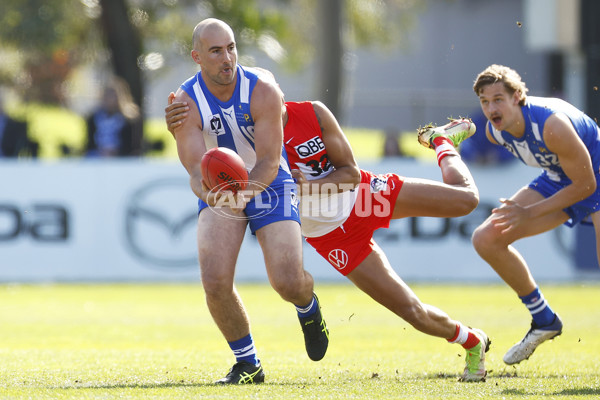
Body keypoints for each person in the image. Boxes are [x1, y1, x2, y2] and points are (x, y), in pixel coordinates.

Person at [166, 81, 491, 382]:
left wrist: (311, 188)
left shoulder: (312, 112)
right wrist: (177, 122)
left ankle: (442, 141)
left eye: (270, 91)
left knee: (466, 201)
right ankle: (472, 340)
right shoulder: (245, 139)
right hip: (334, 238)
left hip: (363, 195)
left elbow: (349, 172)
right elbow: (206, 147)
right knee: (413, 313)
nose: (267, 101)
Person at [167, 18, 329, 385]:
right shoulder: (184, 102)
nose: (227, 58)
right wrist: (212, 194)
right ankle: (248, 364)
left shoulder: (263, 90)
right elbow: (195, 169)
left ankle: (308, 307)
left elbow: (271, 160)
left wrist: (245, 192)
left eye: (231, 48)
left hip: (269, 182)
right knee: (215, 281)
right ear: (197, 57)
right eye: (215, 51)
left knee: (288, 281)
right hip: (220, 186)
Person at [471, 64, 600, 365]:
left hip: (595, 174)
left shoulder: (551, 126)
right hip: (560, 177)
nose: (491, 108)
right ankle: (544, 319)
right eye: (485, 102)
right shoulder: (495, 132)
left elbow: (587, 184)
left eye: (498, 99)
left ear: (517, 96)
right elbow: (568, 179)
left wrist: (527, 212)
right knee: (486, 238)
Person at [85, 77, 140, 157]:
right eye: (108, 95)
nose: (110, 99)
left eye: (113, 95)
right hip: (97, 158)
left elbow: (133, 146)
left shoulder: (129, 120)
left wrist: (116, 152)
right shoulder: (93, 118)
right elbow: (89, 144)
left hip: (122, 159)